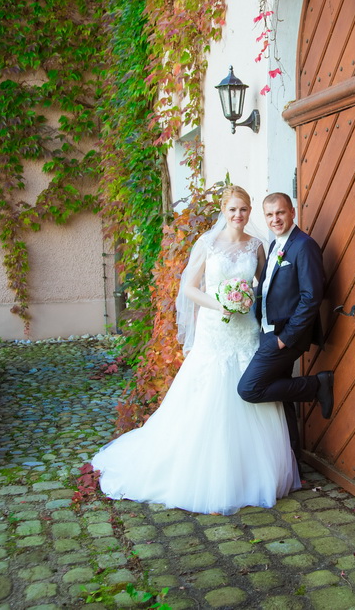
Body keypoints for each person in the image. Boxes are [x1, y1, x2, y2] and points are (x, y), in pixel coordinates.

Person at [91, 186, 300, 515]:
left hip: (244, 329)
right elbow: (188, 288)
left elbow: (264, 287)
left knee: (249, 389)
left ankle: (252, 473)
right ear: (223, 209)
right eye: (233, 209)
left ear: (249, 212)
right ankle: (208, 474)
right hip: (214, 329)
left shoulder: (258, 246)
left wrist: (248, 303)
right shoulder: (206, 244)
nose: (238, 215)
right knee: (208, 394)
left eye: (244, 210)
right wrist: (220, 303)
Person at [237, 192, 334, 461]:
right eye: (269, 215)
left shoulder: (304, 246)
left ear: (292, 212)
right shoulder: (274, 245)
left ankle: (317, 385)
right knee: (282, 395)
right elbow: (268, 287)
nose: (275, 219)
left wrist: (286, 337)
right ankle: (293, 461)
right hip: (268, 330)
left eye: (280, 213)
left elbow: (311, 296)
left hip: (285, 335)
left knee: (249, 389)